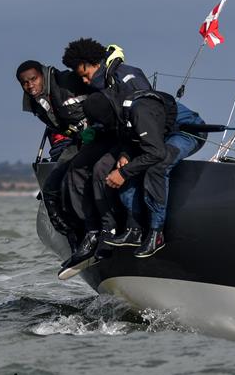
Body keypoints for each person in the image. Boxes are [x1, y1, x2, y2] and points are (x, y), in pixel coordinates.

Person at [56, 38, 155, 276]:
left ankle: (110, 232)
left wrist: (126, 153)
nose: (84, 80)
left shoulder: (128, 76)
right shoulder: (101, 81)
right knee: (77, 168)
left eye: (84, 73)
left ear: (93, 62)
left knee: (102, 169)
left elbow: (146, 114)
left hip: (138, 139)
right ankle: (91, 232)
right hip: (115, 137)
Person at [83, 87, 205, 259]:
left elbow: (157, 153)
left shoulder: (140, 111)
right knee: (128, 167)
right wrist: (125, 155)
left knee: (157, 167)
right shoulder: (118, 108)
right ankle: (135, 230)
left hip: (187, 131)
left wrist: (123, 173)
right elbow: (127, 136)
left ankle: (157, 234)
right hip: (159, 137)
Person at [17, 60, 90, 251]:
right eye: (25, 82)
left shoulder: (65, 82)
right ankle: (75, 241)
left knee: (78, 181)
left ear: (42, 75)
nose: (30, 85)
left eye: (33, 79)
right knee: (50, 190)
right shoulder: (36, 102)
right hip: (77, 142)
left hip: (98, 138)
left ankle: (96, 233)